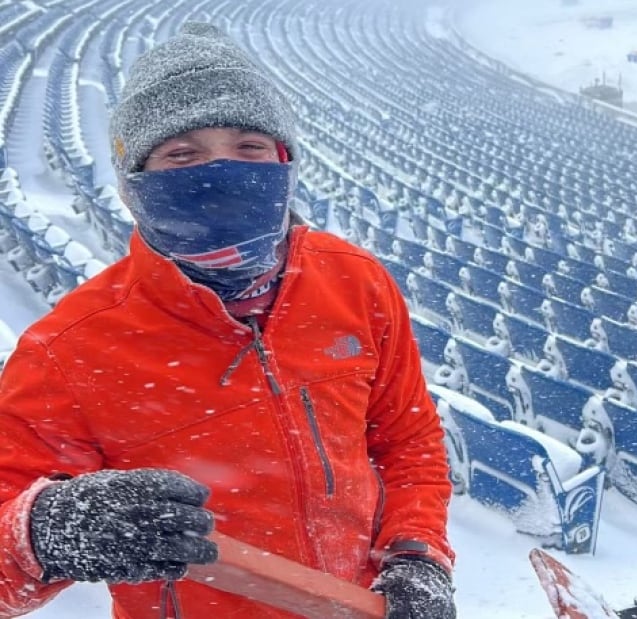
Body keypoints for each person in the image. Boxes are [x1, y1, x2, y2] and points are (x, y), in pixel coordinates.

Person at [0, 22, 455, 619]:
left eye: (250, 148)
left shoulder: (356, 281)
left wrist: (418, 556)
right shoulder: (68, 351)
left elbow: (407, 440)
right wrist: (45, 534)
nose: (222, 175)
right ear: (136, 186)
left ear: (284, 161)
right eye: (182, 154)